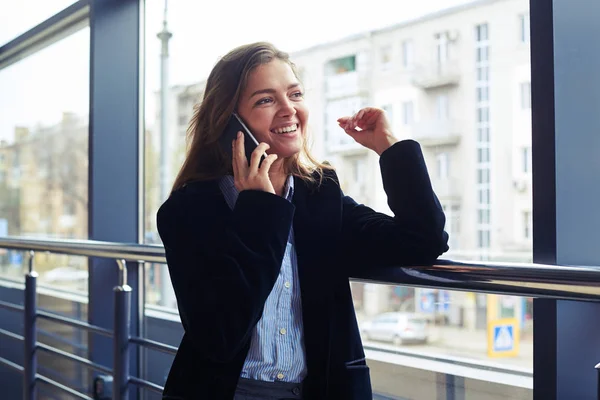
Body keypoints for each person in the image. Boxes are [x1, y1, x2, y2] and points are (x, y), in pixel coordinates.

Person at [156, 41, 449, 400]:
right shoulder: (187, 212)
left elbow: (423, 240)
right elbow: (221, 334)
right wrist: (259, 209)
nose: (288, 110)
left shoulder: (320, 195)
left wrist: (390, 147)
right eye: (265, 100)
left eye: (294, 94)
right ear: (229, 122)